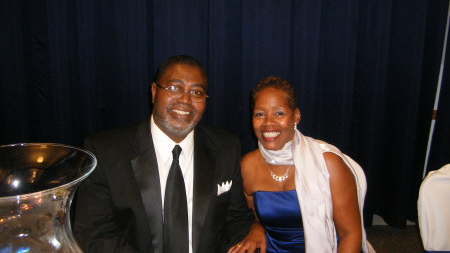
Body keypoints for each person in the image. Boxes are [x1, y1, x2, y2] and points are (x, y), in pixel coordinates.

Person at [74, 55, 265, 253]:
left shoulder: (226, 147)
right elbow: (94, 234)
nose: (185, 100)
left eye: (197, 92)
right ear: (154, 92)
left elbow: (235, 217)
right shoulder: (105, 151)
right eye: (174, 88)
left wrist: (252, 229)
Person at [233, 76, 375, 253]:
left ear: (296, 116)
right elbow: (251, 217)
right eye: (260, 114)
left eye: (279, 113)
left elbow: (350, 234)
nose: (268, 123)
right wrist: (256, 228)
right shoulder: (248, 165)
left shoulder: (328, 163)